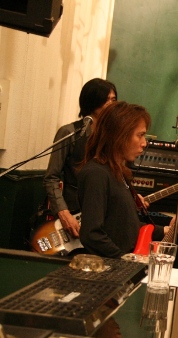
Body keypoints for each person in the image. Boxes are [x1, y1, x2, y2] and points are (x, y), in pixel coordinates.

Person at [78, 101, 178, 259]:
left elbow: (126, 226)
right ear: (120, 135)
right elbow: (91, 235)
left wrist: (167, 229)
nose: (144, 143)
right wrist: (125, 260)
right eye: (140, 135)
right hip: (111, 269)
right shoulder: (96, 174)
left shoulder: (118, 174)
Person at [43, 78, 118, 238]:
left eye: (113, 100)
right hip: (73, 210)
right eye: (106, 100)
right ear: (92, 101)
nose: (111, 104)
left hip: (104, 215)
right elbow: (51, 177)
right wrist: (63, 212)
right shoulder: (70, 132)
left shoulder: (115, 136)